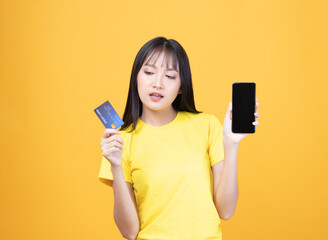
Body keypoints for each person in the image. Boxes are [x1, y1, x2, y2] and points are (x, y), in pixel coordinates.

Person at [98, 36, 260, 240]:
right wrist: (115, 166)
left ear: (181, 86)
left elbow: (226, 211)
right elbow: (129, 232)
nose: (157, 84)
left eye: (170, 76)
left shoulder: (207, 125)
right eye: (149, 72)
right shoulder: (120, 140)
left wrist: (231, 143)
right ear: (136, 78)